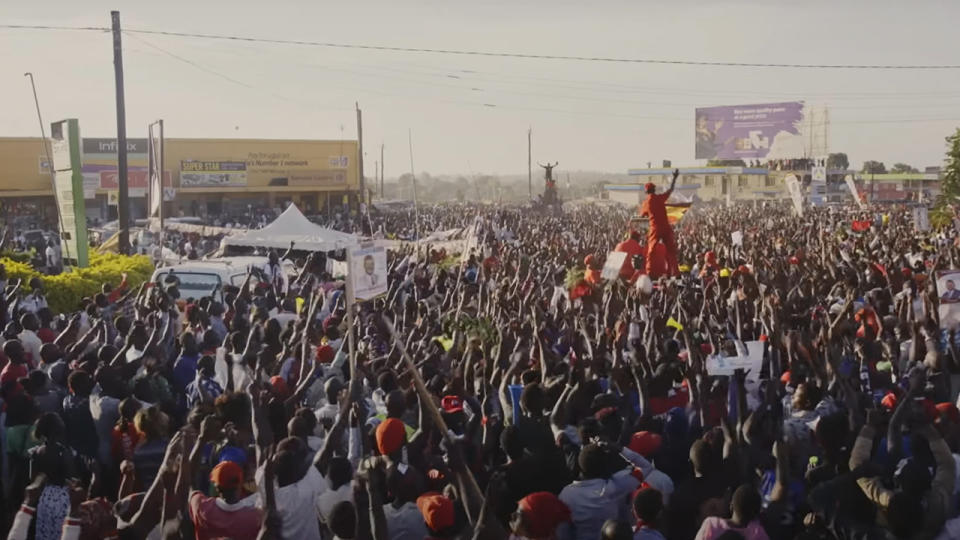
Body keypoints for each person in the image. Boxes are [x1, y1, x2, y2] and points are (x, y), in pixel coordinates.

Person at [639, 169, 680, 277]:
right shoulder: (660, 198)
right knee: (671, 252)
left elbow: (642, 216)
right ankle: (676, 273)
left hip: (655, 228)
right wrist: (674, 178)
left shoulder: (646, 202)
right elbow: (670, 190)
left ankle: (649, 273)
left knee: (651, 251)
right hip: (666, 227)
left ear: (646, 191)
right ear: (654, 190)